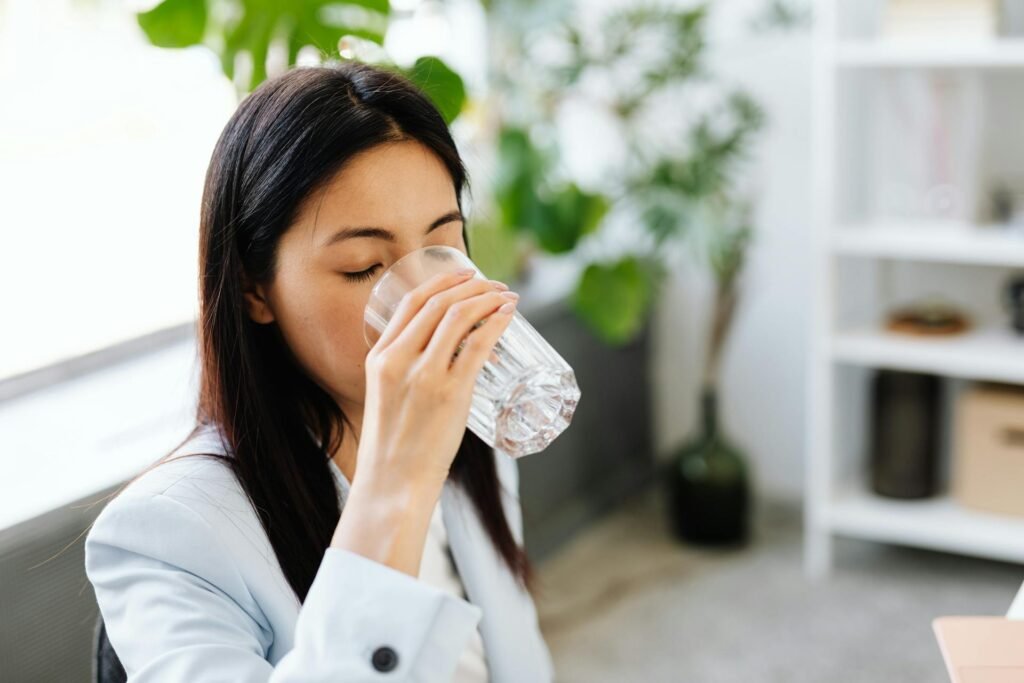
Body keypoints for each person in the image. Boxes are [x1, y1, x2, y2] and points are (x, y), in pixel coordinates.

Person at [84, 59, 555, 682]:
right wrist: (397, 482)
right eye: (364, 266)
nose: (425, 299)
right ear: (255, 290)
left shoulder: (474, 437)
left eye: (445, 243)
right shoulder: (167, 536)